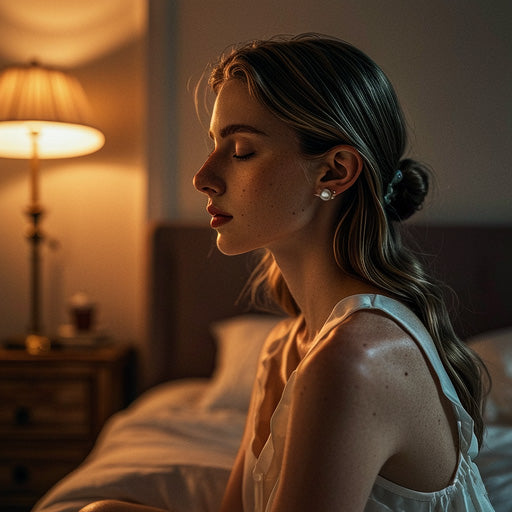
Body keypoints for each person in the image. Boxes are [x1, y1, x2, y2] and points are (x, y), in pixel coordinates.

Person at [81, 34, 493, 512]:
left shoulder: (352, 363)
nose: (203, 177)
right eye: (214, 144)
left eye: (240, 151)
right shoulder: (284, 348)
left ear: (334, 172)